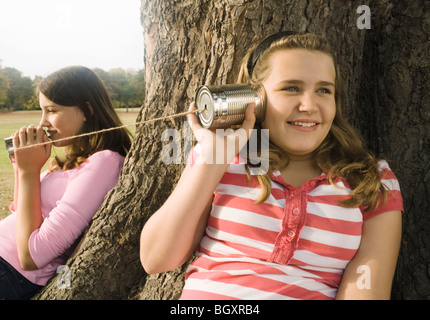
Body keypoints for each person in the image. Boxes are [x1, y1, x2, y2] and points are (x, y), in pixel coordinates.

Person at [140, 32, 404, 299]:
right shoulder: (221, 157)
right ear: (255, 99)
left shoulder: (372, 179)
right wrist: (210, 162)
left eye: (324, 90)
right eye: (291, 88)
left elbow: (368, 290)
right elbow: (155, 259)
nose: (309, 106)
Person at [0, 66, 132, 299]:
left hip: (11, 272)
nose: (43, 123)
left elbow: (31, 256)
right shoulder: (74, 162)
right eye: (42, 111)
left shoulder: (105, 161)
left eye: (52, 111)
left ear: (86, 110)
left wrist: (30, 172)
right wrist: (22, 169)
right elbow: (22, 213)